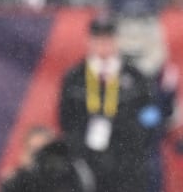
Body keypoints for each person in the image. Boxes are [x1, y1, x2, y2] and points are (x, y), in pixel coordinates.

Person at [58, 15, 169, 192]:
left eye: (108, 39)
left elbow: (151, 115)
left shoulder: (136, 77)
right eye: (98, 39)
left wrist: (135, 142)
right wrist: (80, 149)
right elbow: (65, 119)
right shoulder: (74, 78)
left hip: (128, 162)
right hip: (88, 161)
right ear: (89, 41)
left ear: (117, 40)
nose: (103, 44)